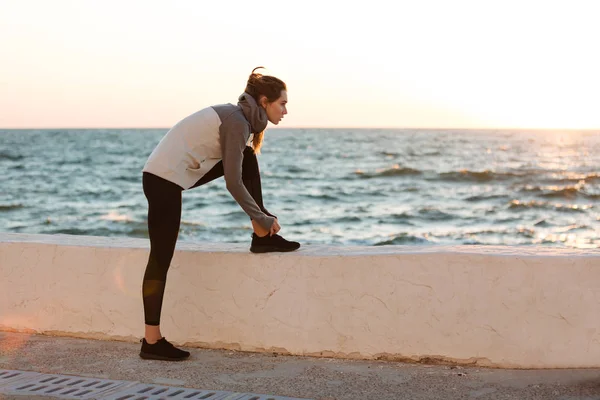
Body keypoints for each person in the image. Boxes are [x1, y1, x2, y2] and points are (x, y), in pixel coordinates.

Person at [139, 67, 300, 361]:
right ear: (264, 101)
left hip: (175, 175)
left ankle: (261, 237)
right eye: (283, 103)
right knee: (160, 259)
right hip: (162, 180)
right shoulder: (236, 121)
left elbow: (235, 171)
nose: (286, 110)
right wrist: (263, 215)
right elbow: (232, 182)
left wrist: (260, 217)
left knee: (247, 158)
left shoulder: (241, 119)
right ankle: (151, 341)